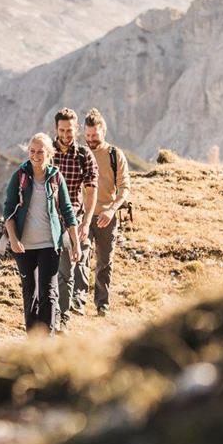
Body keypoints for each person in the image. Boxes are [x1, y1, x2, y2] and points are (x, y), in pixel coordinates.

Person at [0, 133, 80, 334]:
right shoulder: (19, 176)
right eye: (32, 151)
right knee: (29, 293)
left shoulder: (56, 176)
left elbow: (67, 211)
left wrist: (76, 243)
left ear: (49, 154)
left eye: (40, 152)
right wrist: (13, 239)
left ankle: (46, 340)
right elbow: (8, 210)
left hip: (50, 244)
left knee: (48, 293)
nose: (35, 155)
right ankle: (32, 342)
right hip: (24, 246)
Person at [52, 108, 98, 323]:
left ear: (76, 129)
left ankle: (63, 317)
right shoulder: (47, 151)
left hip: (73, 219)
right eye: (62, 130)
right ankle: (46, 313)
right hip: (48, 218)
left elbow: (91, 189)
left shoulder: (83, 155)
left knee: (66, 268)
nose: (66, 135)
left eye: (70, 130)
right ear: (56, 129)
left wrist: (86, 223)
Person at [84, 108, 130, 316]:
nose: (91, 139)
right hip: (82, 216)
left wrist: (111, 211)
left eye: (94, 135)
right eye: (87, 135)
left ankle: (102, 304)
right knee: (80, 257)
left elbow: (124, 187)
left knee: (104, 262)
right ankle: (77, 301)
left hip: (106, 216)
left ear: (103, 132)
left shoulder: (114, 155)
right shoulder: (80, 154)